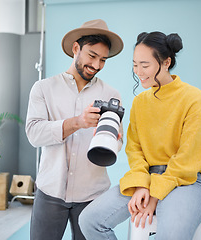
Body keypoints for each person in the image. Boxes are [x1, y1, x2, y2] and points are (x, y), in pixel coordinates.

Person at [79, 31, 201, 240]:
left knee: (170, 235)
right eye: (135, 65)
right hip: (148, 178)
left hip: (189, 181)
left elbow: (189, 159)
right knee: (90, 220)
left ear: (166, 62)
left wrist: (154, 194)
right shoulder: (140, 103)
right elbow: (135, 150)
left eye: (145, 65)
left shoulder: (193, 98)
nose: (139, 72)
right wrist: (142, 184)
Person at [25, 19, 124, 240]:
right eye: (92, 56)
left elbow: (118, 141)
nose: (97, 65)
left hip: (92, 195)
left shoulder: (112, 95)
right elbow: (33, 133)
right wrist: (77, 122)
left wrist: (114, 140)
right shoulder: (43, 89)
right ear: (76, 48)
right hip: (49, 192)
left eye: (103, 60)